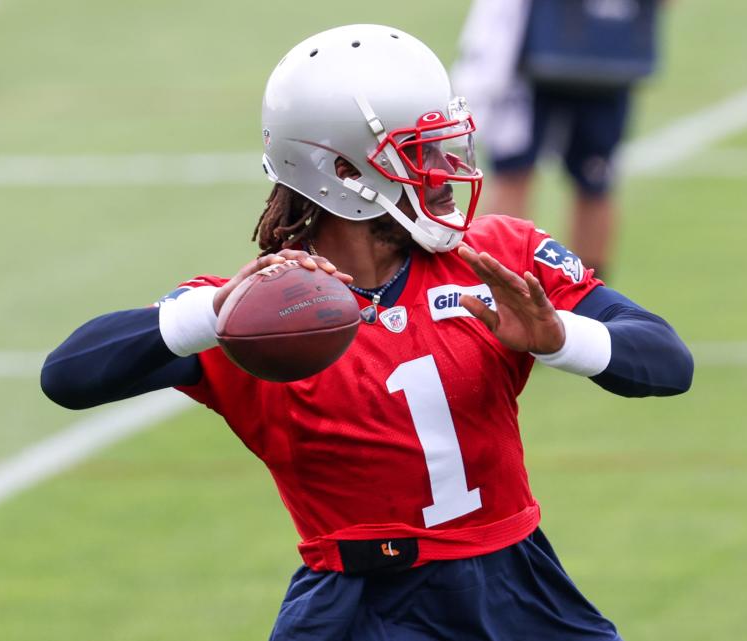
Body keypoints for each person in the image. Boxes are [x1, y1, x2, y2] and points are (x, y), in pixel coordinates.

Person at [41, 24, 692, 641]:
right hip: (359, 606)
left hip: (516, 582)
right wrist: (212, 315)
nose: (446, 170)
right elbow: (68, 374)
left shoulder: (495, 257)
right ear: (344, 172)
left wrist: (560, 339)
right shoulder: (261, 316)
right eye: (419, 153)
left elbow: (667, 360)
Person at [452, 0, 665, 279]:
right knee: (527, 173)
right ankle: (500, 287)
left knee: (591, 180)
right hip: (537, 48)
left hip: (589, 54)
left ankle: (580, 297)